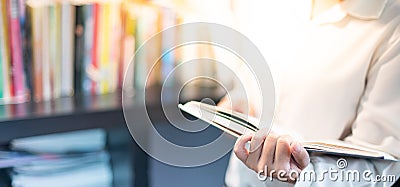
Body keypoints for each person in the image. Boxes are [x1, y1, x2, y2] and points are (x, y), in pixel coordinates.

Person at [219, 0, 400, 186]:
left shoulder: (393, 25)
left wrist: (303, 174)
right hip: (241, 179)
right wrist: (243, 101)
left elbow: (380, 166)